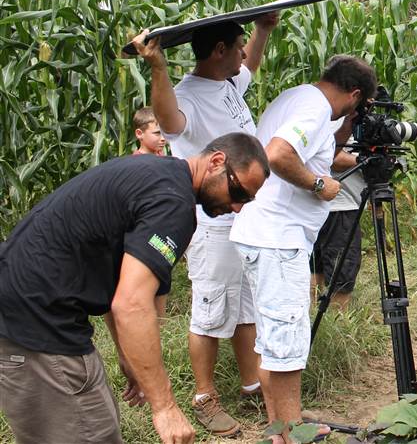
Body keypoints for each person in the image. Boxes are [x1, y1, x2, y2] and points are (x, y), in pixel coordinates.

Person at [0, 133, 269, 444]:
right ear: (216, 162)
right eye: (237, 191)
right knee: (93, 434)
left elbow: (117, 282)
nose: (236, 207)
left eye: (246, 200)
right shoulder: (173, 203)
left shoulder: (159, 177)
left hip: (28, 307)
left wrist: (128, 356)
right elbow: (131, 303)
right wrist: (165, 407)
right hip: (35, 320)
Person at [127, 14, 278, 437]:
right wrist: (157, 66)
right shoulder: (189, 96)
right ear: (218, 51)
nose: (244, 52)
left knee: (245, 303)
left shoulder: (226, 83)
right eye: (238, 44)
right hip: (213, 222)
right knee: (210, 310)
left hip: (242, 219)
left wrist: (264, 29)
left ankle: (252, 384)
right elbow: (170, 121)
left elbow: (251, 69)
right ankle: (204, 396)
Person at [230, 55, 377, 444]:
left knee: (272, 338)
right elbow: (279, 154)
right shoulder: (313, 108)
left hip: (263, 233)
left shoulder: (298, 97)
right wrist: (317, 185)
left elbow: (316, 149)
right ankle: (294, 433)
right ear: (355, 94)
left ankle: (280, 426)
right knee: (288, 341)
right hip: (279, 238)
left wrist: (345, 126)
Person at [310, 121, 365, 312]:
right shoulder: (341, 117)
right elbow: (331, 157)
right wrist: (364, 160)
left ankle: (312, 319)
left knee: (316, 266)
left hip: (328, 205)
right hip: (340, 206)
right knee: (342, 273)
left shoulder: (332, 114)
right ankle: (338, 324)